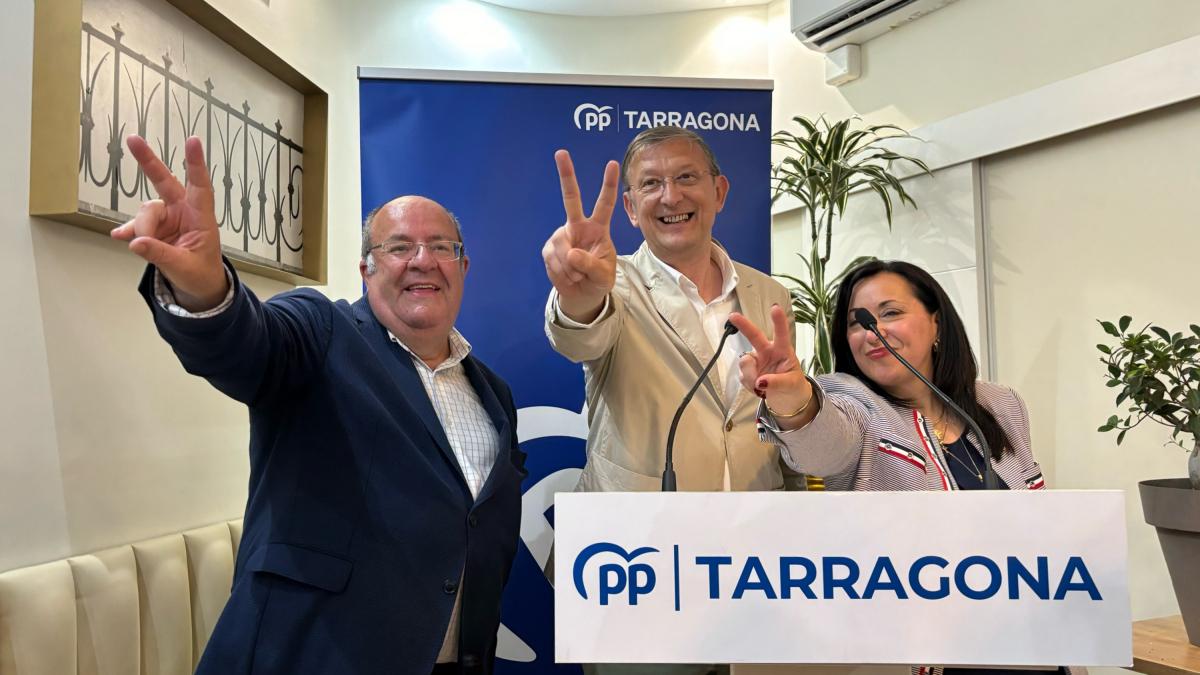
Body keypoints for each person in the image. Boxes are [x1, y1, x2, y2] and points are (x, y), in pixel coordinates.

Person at [112, 134, 526, 675]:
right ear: (366, 270)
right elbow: (248, 348)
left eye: (441, 247)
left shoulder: (494, 393)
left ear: (463, 267)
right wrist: (206, 290)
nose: (422, 260)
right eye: (399, 247)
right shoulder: (322, 330)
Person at [730, 260, 1085, 675]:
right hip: (928, 660)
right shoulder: (854, 405)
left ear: (936, 323)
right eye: (856, 322)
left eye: (891, 312)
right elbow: (820, 443)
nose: (871, 330)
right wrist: (792, 400)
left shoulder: (1000, 405)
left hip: (1031, 648)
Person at [542, 126, 801, 675]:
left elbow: (780, 418)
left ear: (720, 192)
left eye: (687, 178)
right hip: (641, 571)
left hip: (757, 566)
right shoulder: (610, 283)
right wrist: (579, 298)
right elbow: (579, 333)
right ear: (631, 209)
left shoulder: (770, 294)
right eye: (651, 184)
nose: (671, 196)